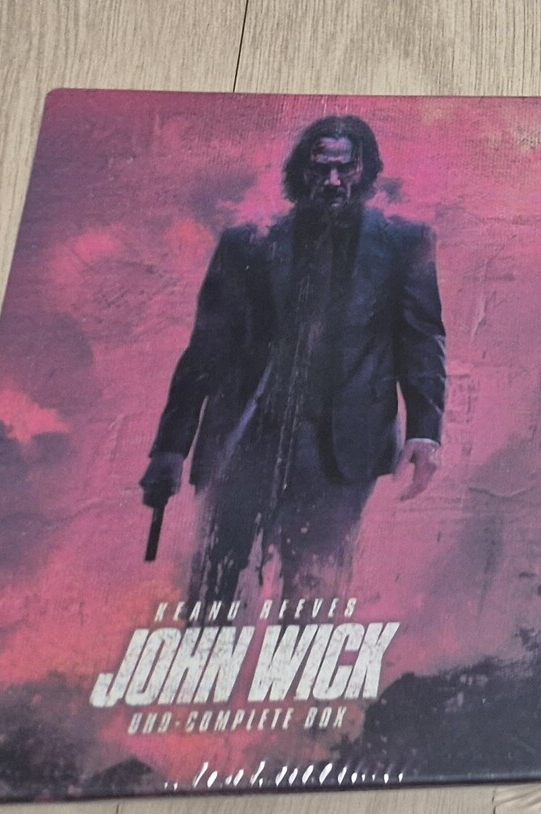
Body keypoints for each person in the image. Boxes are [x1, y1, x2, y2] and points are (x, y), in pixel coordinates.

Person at [139, 115, 446, 608]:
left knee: (312, 602)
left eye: (346, 169)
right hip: (247, 443)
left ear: (366, 171)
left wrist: (425, 430)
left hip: (343, 451)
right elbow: (207, 349)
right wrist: (171, 448)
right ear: (300, 171)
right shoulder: (248, 244)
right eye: (321, 169)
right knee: (215, 596)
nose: (333, 182)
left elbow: (422, 338)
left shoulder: (404, 245)